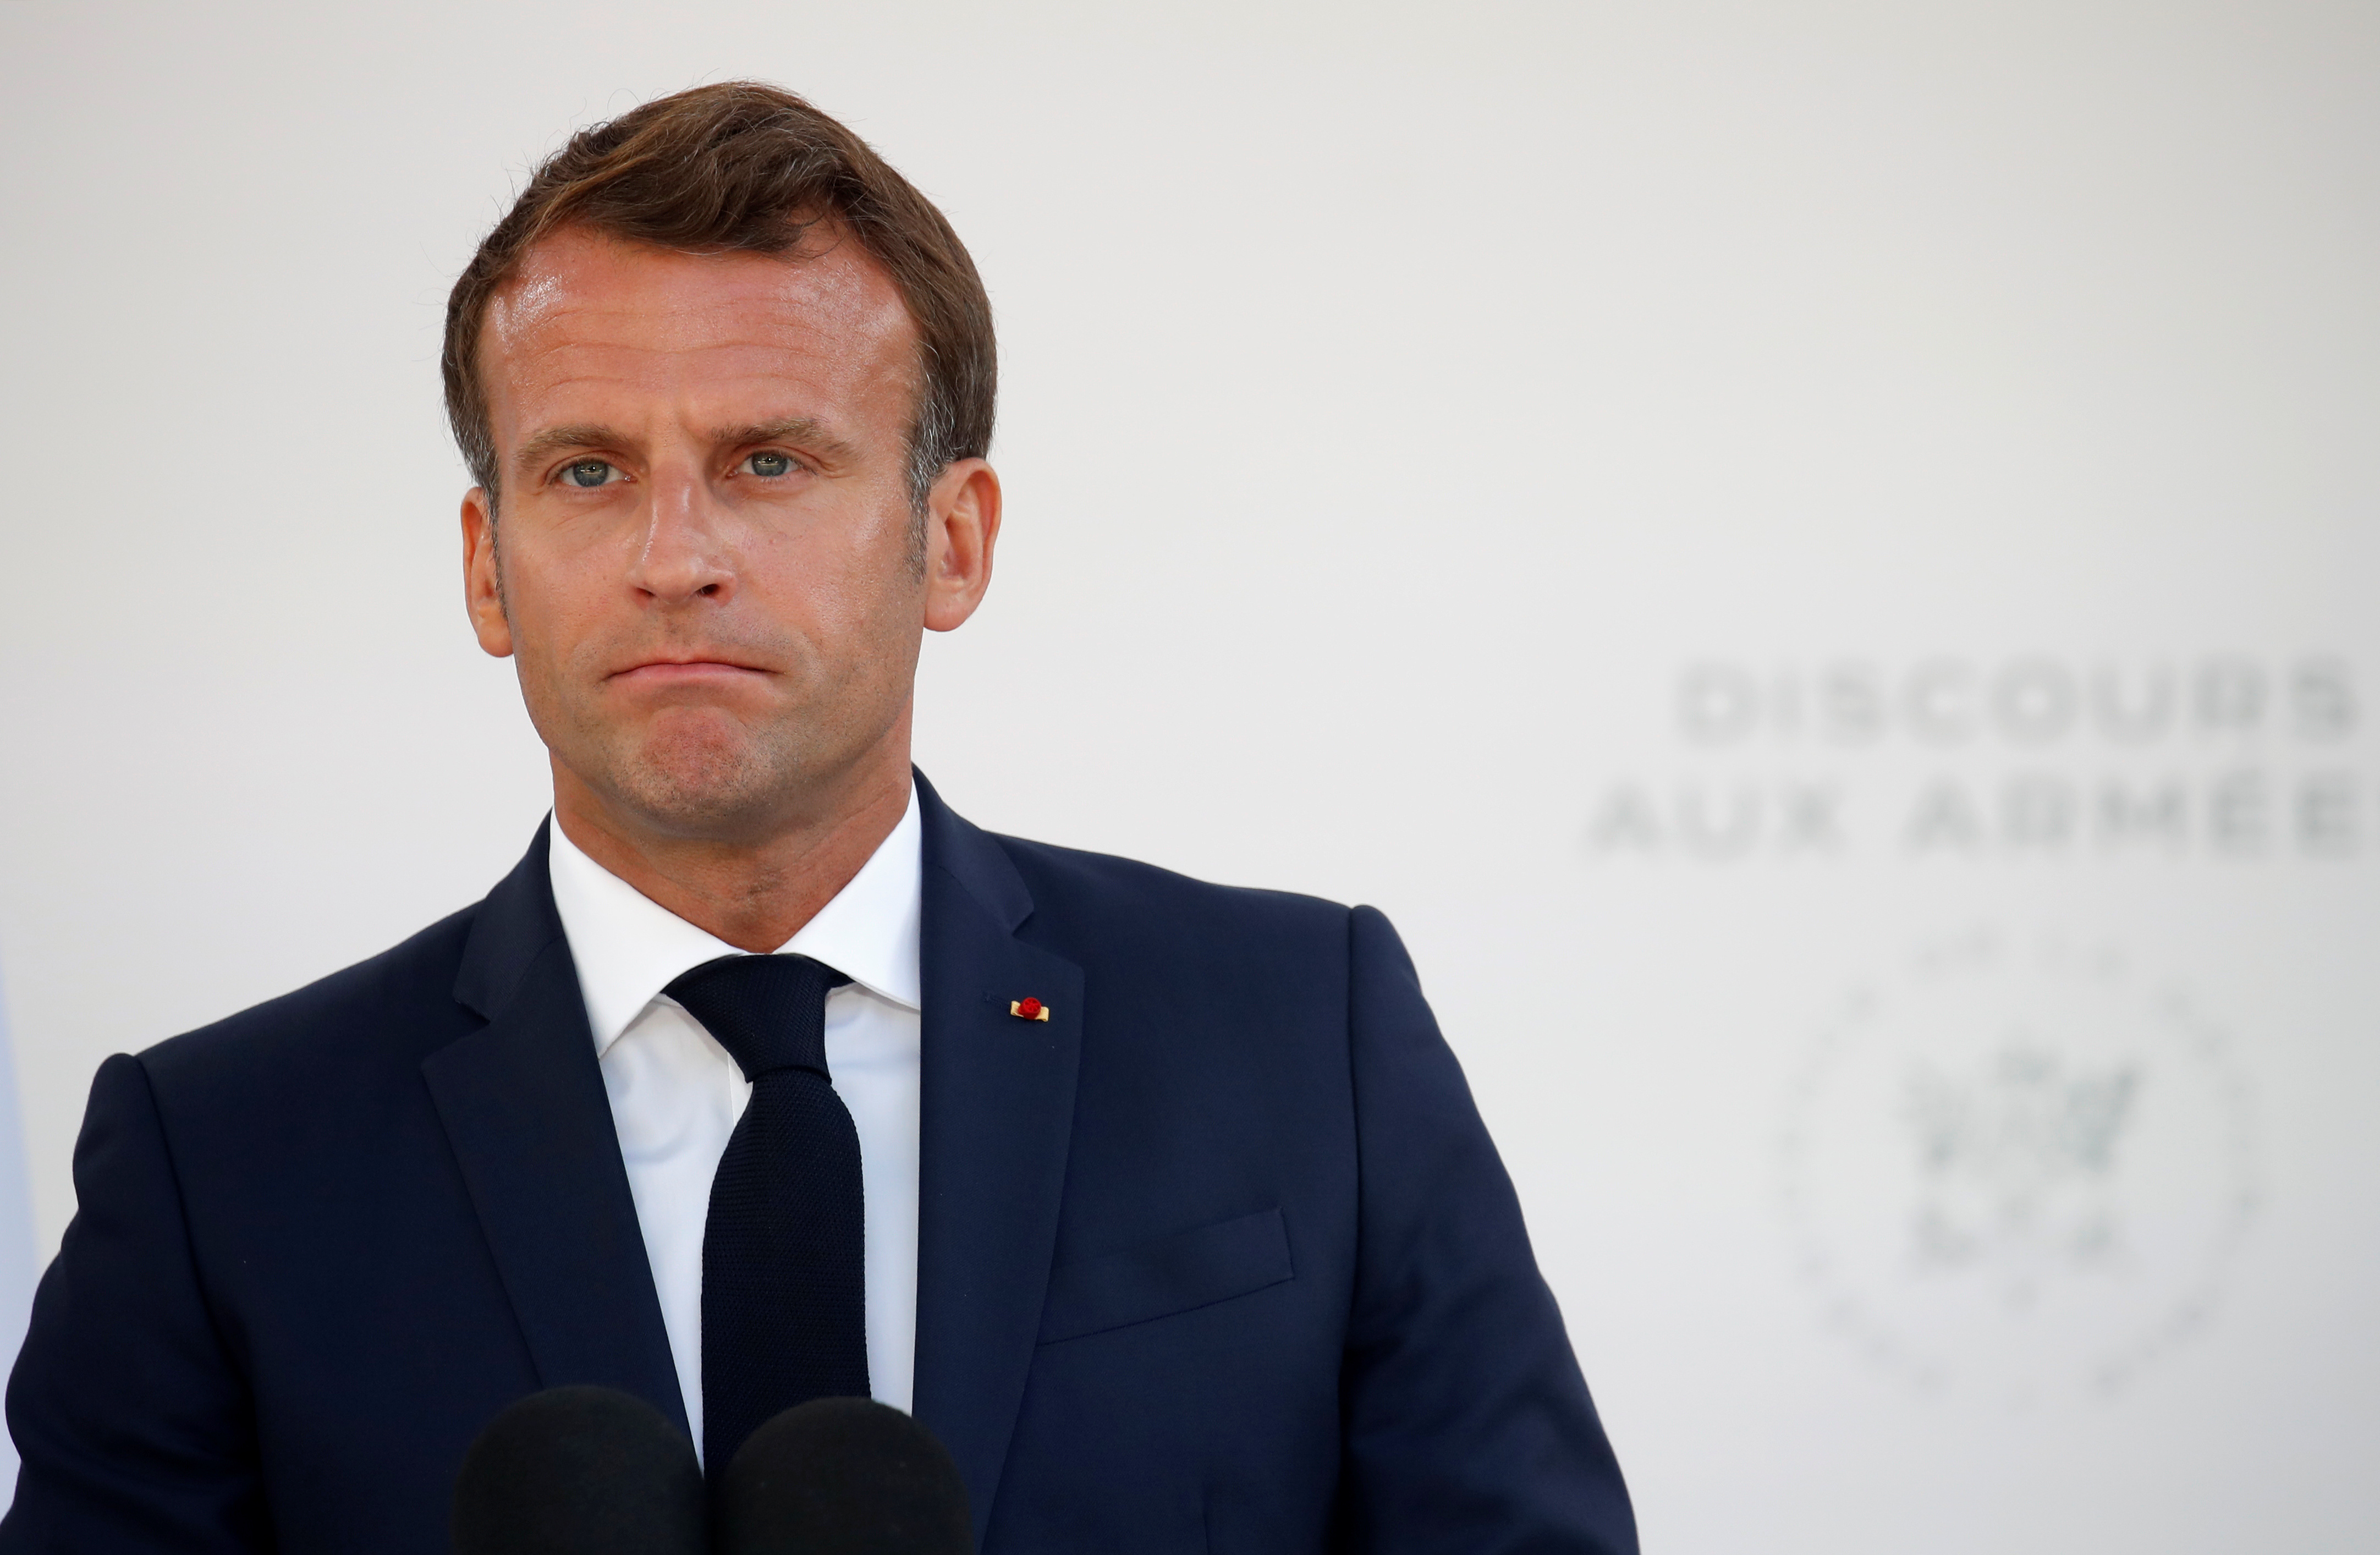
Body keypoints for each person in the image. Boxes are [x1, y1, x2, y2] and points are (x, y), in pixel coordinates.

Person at [0, 82, 1636, 1554]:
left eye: (769, 461)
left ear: (954, 540)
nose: (675, 554)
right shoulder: (222, 1162)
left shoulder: (1302, 1042)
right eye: (585, 472)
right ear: (486, 565)